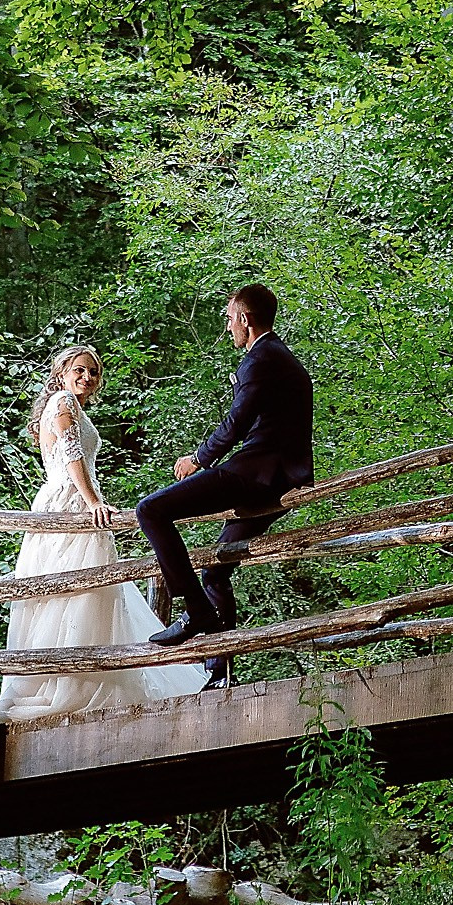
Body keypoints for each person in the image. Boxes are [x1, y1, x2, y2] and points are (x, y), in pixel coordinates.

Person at [0, 345, 207, 720]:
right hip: (69, 501)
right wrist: (92, 502)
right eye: (79, 370)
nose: (86, 377)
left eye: (93, 371)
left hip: (68, 496)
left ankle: (84, 675)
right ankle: (68, 680)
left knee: (89, 591)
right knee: (77, 588)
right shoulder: (63, 403)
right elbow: (73, 457)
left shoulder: (68, 404)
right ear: (61, 372)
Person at [137, 284, 314, 688]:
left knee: (151, 510)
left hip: (255, 476)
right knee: (217, 569)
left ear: (246, 319)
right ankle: (221, 670)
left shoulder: (262, 358)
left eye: (230, 317)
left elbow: (236, 423)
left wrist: (198, 459)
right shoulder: (279, 357)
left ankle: (196, 611)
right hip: (279, 477)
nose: (228, 325)